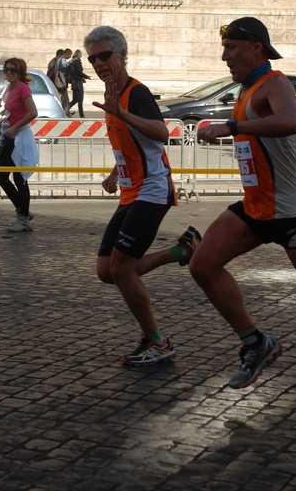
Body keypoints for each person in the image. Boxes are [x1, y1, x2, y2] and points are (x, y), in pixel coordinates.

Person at [190, 17, 296, 390]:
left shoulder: (274, 82)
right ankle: (257, 343)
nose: (224, 57)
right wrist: (285, 149)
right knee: (203, 265)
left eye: (231, 48)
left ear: (256, 48)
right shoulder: (249, 90)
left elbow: (286, 118)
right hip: (255, 207)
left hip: (292, 211)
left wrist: (233, 128)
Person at [84, 25, 201, 366]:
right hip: (130, 192)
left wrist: (121, 113)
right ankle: (183, 249)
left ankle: (158, 341)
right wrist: (114, 173)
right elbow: (129, 145)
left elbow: (162, 133)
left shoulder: (136, 92)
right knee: (107, 271)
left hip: (152, 190)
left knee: (122, 270)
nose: (98, 62)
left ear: (122, 54)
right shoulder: (112, 95)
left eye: (105, 55)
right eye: (93, 58)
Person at [0, 58, 38, 232]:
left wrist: (15, 127)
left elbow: (33, 112)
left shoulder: (22, 88)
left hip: (20, 137)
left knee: (20, 179)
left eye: (12, 70)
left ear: (20, 72)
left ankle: (23, 218)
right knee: (1, 176)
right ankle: (23, 211)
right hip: (10, 136)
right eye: (6, 70)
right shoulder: (10, 88)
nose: (8, 73)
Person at [65, 49, 91, 118]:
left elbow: (74, 73)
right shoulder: (77, 62)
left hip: (74, 83)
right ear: (79, 55)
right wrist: (86, 76)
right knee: (80, 100)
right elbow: (79, 72)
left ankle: (65, 110)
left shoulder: (72, 62)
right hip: (78, 83)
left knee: (75, 100)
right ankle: (82, 115)